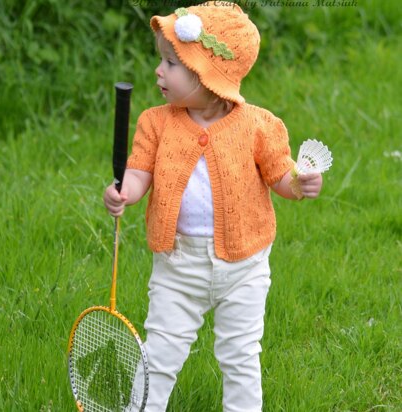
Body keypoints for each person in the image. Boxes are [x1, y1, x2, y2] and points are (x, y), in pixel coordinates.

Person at [103, 2, 322, 411]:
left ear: (209, 75)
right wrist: (123, 193)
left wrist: (301, 183)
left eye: (171, 63)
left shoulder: (258, 125)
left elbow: (282, 178)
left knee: (240, 355)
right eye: (161, 61)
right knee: (161, 351)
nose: (158, 71)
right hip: (177, 266)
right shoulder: (156, 122)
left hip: (244, 267)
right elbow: (137, 173)